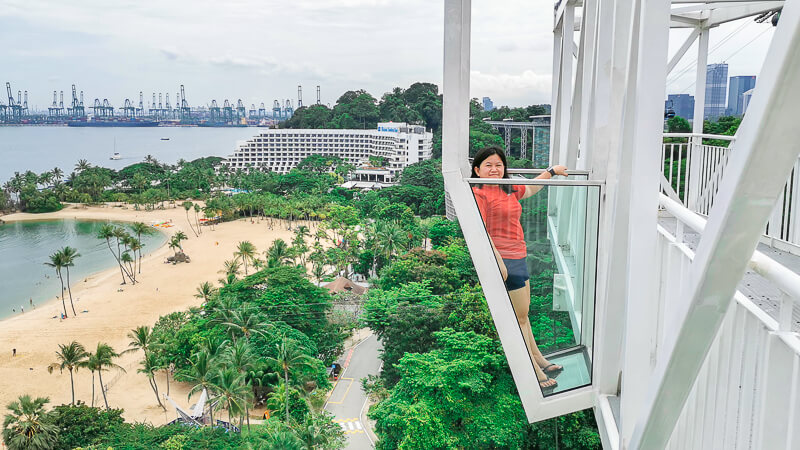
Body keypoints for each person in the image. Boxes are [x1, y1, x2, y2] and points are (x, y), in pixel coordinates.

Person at [471, 146, 568, 391]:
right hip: (504, 260)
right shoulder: (478, 193)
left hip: (519, 254)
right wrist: (498, 261)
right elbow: (480, 231)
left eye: (498, 165)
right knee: (519, 317)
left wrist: (551, 172)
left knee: (524, 314)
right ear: (477, 170)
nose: (494, 169)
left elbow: (533, 187)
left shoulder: (508, 188)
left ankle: (539, 359)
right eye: (488, 165)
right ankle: (534, 371)